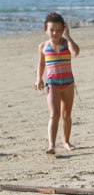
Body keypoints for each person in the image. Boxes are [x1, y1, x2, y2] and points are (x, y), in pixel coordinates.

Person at [34, 12, 80, 155]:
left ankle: (66, 141)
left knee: (66, 114)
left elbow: (76, 52)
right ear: (45, 30)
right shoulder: (43, 46)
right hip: (52, 83)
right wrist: (39, 78)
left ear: (63, 29)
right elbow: (41, 64)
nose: (55, 33)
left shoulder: (67, 43)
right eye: (52, 30)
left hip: (68, 83)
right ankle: (51, 145)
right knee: (54, 114)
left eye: (59, 30)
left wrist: (68, 36)